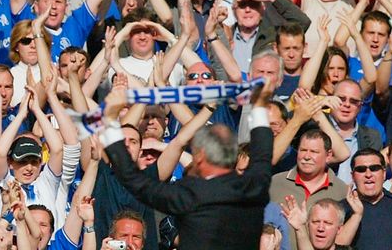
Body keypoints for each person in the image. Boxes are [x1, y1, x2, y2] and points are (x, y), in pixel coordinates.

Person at [98, 81, 274, 250]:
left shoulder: (188, 194)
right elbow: (263, 155)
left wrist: (111, 120)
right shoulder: (254, 186)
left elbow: (132, 178)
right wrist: (259, 106)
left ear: (199, 156)